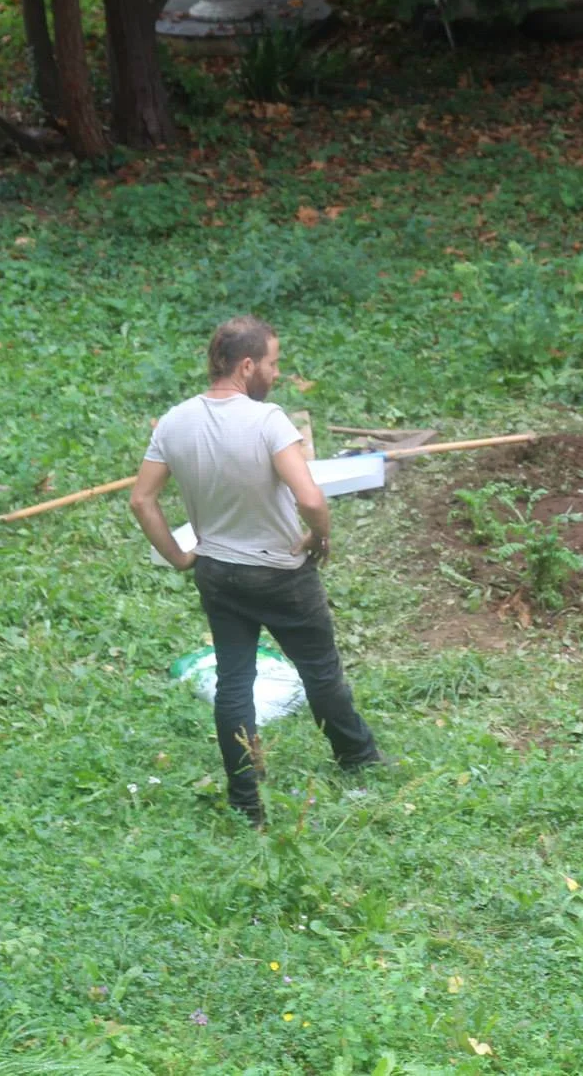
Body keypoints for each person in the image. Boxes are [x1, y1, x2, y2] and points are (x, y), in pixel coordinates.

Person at [130, 315, 389, 828]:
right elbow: (311, 497)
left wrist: (182, 557)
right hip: (279, 574)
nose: (275, 374)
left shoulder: (176, 421)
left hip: (218, 573)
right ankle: (357, 756)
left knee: (234, 684)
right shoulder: (268, 421)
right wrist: (319, 535)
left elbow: (142, 500)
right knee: (319, 669)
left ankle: (246, 800)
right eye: (272, 364)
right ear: (246, 366)